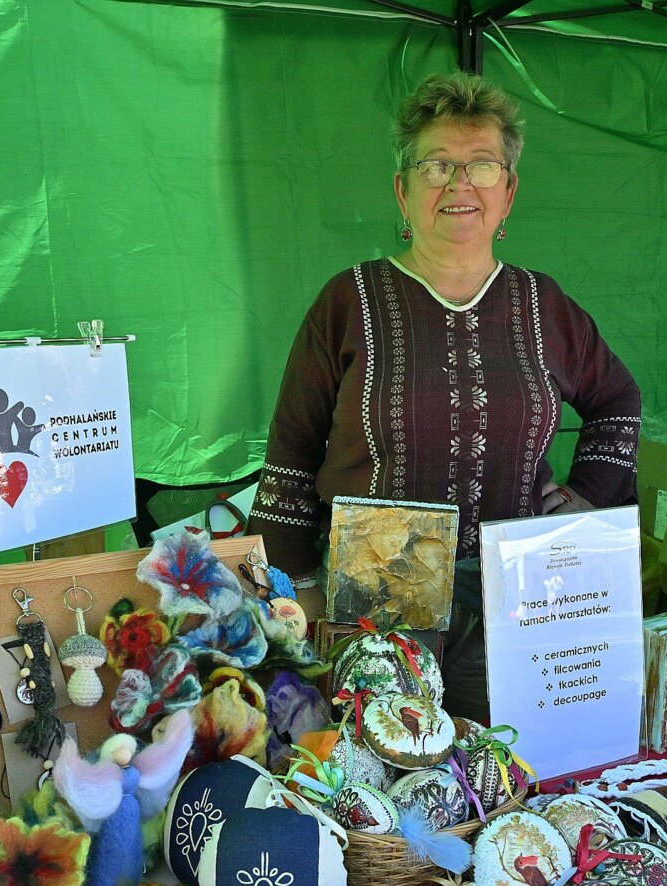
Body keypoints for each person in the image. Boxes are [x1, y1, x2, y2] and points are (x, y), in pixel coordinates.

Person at [248, 72, 642, 719]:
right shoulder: (348, 302)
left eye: (482, 165)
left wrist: (587, 497)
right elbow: (292, 450)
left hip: (514, 598)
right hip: (374, 604)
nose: (459, 183)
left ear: (508, 192)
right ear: (402, 191)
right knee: (384, 759)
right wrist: (295, 590)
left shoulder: (544, 305)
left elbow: (617, 399)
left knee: (500, 759)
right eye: (436, 165)